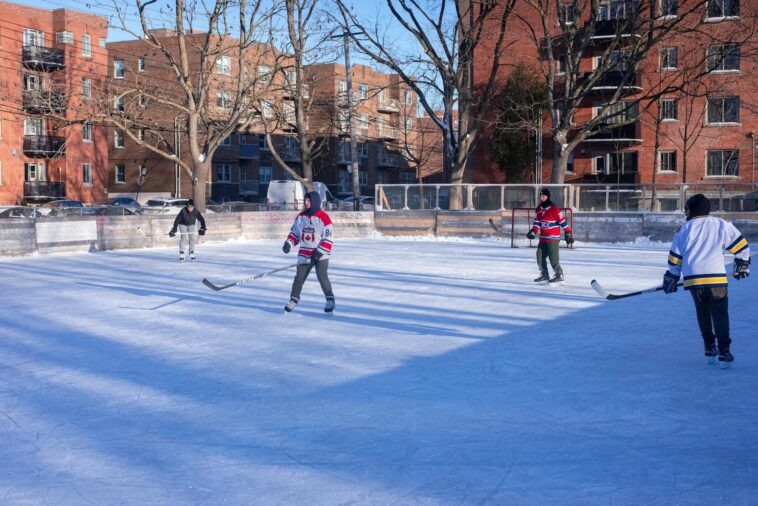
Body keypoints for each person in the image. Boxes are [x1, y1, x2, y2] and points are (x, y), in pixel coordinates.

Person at [662, 194, 750, 367]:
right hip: (716, 277)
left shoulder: (684, 229)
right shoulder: (720, 224)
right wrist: (742, 263)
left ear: (692, 210)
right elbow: (741, 245)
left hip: (694, 280)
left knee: (702, 312)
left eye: (686, 209)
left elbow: (675, 257)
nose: (685, 212)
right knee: (720, 314)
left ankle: (709, 347)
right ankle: (724, 351)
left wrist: (672, 276)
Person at [282, 190, 335, 314]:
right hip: (304, 255)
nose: (306, 203)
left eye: (308, 200)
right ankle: (293, 300)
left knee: (322, 277)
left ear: (315, 201)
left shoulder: (324, 218)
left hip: (320, 254)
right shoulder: (301, 217)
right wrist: (289, 243)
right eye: (305, 200)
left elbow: (328, 238)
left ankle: (330, 299)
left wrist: (319, 252)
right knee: (299, 278)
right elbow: (295, 234)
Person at [526, 188, 574, 284]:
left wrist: (568, 233)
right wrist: (533, 232)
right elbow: (537, 222)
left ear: (548, 197)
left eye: (543, 196)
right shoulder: (539, 209)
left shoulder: (554, 209)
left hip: (553, 238)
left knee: (553, 258)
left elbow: (563, 222)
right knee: (539, 256)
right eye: (540, 196)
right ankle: (544, 274)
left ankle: (559, 274)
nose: (542, 198)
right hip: (543, 238)